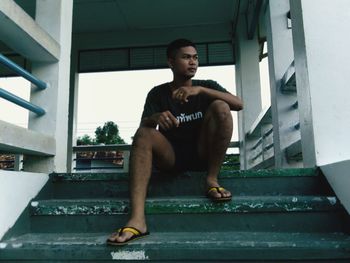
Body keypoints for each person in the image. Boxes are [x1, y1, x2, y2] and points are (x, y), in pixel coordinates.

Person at [107, 38, 243, 246]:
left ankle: (212, 180)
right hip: (171, 157)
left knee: (222, 107)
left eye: (195, 58)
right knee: (143, 133)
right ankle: (137, 219)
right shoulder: (158, 93)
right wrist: (156, 118)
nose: (193, 62)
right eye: (186, 57)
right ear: (171, 62)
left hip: (202, 152)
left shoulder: (207, 86)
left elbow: (239, 104)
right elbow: (144, 126)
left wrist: (200, 91)